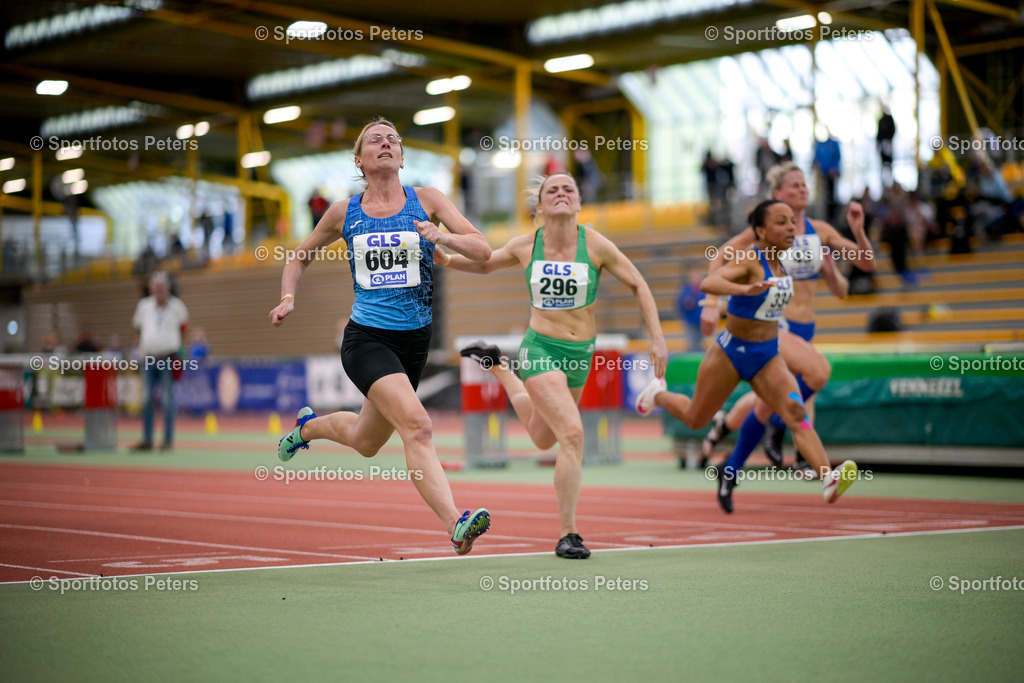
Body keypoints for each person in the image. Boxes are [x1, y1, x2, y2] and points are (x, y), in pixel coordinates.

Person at [269, 117, 492, 556]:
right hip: (367, 339)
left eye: (393, 139)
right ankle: (455, 523)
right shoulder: (344, 212)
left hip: (415, 343)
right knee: (418, 427)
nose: (386, 143)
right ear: (360, 160)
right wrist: (288, 297)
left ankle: (307, 427)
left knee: (365, 442)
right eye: (375, 139)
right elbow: (299, 256)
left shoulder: (428, 200)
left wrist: (442, 236)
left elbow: (483, 250)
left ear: (402, 157)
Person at [447, 172, 667, 559]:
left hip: (580, 354)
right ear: (540, 207)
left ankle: (497, 366)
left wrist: (657, 338)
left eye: (569, 189)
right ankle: (569, 534)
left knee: (542, 437)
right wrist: (444, 256)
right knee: (572, 436)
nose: (562, 193)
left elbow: (639, 284)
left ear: (579, 203)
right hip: (540, 349)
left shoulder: (595, 245)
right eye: (553, 190)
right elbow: (484, 265)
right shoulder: (526, 245)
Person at [636, 199, 858, 512]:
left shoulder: (785, 261)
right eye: (781, 222)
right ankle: (658, 395)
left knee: (795, 413)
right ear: (761, 231)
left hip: (767, 356)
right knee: (696, 419)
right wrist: (744, 290)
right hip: (730, 354)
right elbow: (709, 281)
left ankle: (828, 478)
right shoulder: (750, 258)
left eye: (791, 222)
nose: (791, 228)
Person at [700, 162, 874, 491]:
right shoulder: (767, 231)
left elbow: (865, 264)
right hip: (776, 325)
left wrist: (857, 231)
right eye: (794, 185)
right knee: (816, 375)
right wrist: (710, 304)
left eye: (804, 184)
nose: (802, 189)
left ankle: (731, 468)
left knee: (766, 404)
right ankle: (777, 432)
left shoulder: (820, 231)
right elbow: (720, 255)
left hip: (806, 328)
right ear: (778, 193)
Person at [132, 271, 189, 451]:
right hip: (148, 358)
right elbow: (138, 328)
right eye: (156, 287)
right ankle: (147, 440)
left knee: (167, 399)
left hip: (168, 357)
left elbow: (184, 329)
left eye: (161, 287)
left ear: (168, 288)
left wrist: (178, 351)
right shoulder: (144, 306)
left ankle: (168, 439)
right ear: (151, 289)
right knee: (146, 399)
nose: (158, 290)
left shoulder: (177, 306)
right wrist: (140, 347)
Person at [813, 130, 842, 222]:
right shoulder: (819, 145)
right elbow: (816, 158)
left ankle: (832, 218)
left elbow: (837, 157)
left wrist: (834, 169)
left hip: (831, 174)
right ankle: (823, 217)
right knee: (822, 197)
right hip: (822, 174)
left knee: (831, 196)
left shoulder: (833, 144)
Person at [675, 267, 706, 352]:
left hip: (702, 321)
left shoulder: (704, 289)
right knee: (692, 344)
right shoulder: (685, 289)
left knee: (700, 344)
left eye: (698, 275)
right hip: (690, 322)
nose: (696, 277)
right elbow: (679, 304)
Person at [877, 107, 896, 188]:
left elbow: (893, 130)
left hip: (888, 144)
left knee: (889, 163)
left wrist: (889, 140)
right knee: (883, 164)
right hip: (883, 144)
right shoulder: (881, 120)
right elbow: (879, 134)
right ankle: (884, 182)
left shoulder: (889, 120)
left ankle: (890, 181)